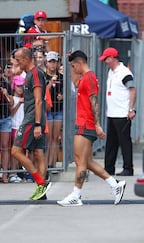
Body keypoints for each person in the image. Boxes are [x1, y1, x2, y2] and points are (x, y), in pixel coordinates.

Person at [57, 50, 126, 207]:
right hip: (85, 123)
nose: (73, 68)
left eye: (73, 66)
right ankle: (115, 185)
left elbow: (95, 102)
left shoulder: (89, 78)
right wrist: (68, 63)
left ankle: (76, 195)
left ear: (80, 64)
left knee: (80, 160)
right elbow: (75, 83)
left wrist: (97, 124)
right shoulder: (85, 78)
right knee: (86, 161)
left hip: (86, 124)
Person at [12, 48, 51, 200]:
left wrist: (36, 124)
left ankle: (41, 182)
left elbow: (38, 100)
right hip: (35, 117)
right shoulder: (30, 74)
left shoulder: (35, 74)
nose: (17, 62)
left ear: (26, 59)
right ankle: (42, 192)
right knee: (38, 153)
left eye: (18, 59)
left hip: (32, 118)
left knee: (15, 151)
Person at [99, 47, 137, 176]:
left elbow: (132, 90)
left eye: (106, 59)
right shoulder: (111, 72)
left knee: (124, 141)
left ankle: (128, 168)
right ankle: (109, 168)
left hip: (122, 113)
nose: (105, 62)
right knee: (111, 143)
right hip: (112, 113)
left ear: (112, 58)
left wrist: (131, 109)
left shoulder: (124, 72)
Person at [45, 51, 64, 170]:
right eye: (50, 62)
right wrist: (50, 83)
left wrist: (62, 96)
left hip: (58, 109)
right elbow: (42, 92)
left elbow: (65, 91)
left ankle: (53, 163)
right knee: (48, 138)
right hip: (48, 110)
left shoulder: (61, 77)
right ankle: (46, 163)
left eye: (54, 62)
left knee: (55, 138)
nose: (52, 64)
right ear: (46, 63)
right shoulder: (43, 76)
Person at [9, 75, 25, 183]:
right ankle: (13, 173)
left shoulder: (25, 98)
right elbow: (11, 113)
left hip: (23, 127)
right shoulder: (12, 99)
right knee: (15, 151)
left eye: (22, 86)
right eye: (18, 86)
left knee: (22, 151)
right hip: (15, 127)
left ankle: (20, 171)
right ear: (14, 86)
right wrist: (19, 103)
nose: (20, 88)